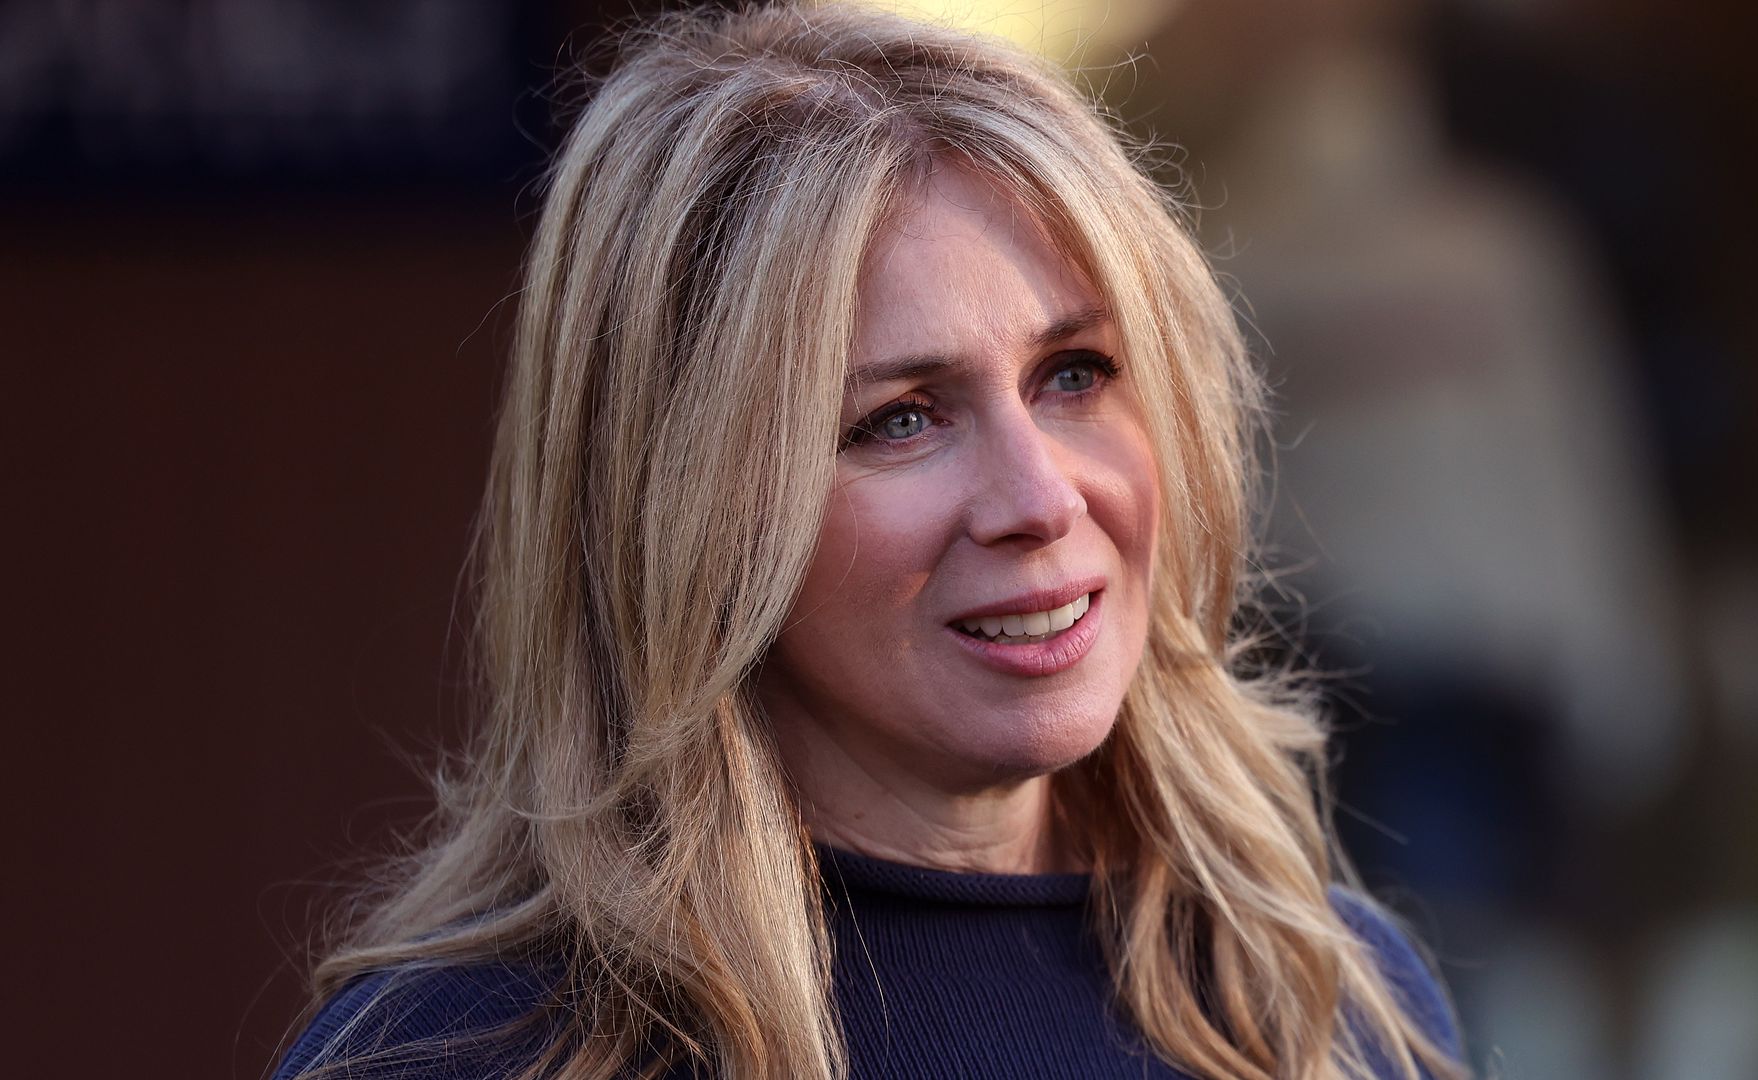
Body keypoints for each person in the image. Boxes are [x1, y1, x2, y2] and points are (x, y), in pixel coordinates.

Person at [271, 3, 1466, 1078]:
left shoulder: (1327, 999)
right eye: (898, 419)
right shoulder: (465, 1054)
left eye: (1076, 373)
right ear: (688, 511)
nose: (1039, 499)